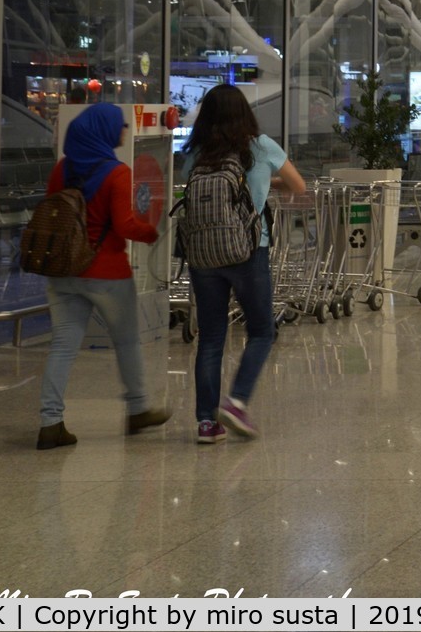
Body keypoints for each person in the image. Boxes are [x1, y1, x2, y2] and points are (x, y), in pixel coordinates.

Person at [35, 104, 170, 450]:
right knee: (126, 341)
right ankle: (138, 408)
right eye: (120, 125)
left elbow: (54, 211)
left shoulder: (62, 170)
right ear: (104, 131)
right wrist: (152, 233)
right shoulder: (116, 173)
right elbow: (124, 225)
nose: (124, 130)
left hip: (64, 270)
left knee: (63, 346)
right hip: (107, 272)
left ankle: (51, 422)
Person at [182, 83, 303, 444]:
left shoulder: (197, 152)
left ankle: (207, 422)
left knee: (211, 338)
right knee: (262, 330)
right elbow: (298, 185)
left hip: (203, 254)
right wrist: (268, 182)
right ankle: (236, 402)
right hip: (249, 250)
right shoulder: (260, 146)